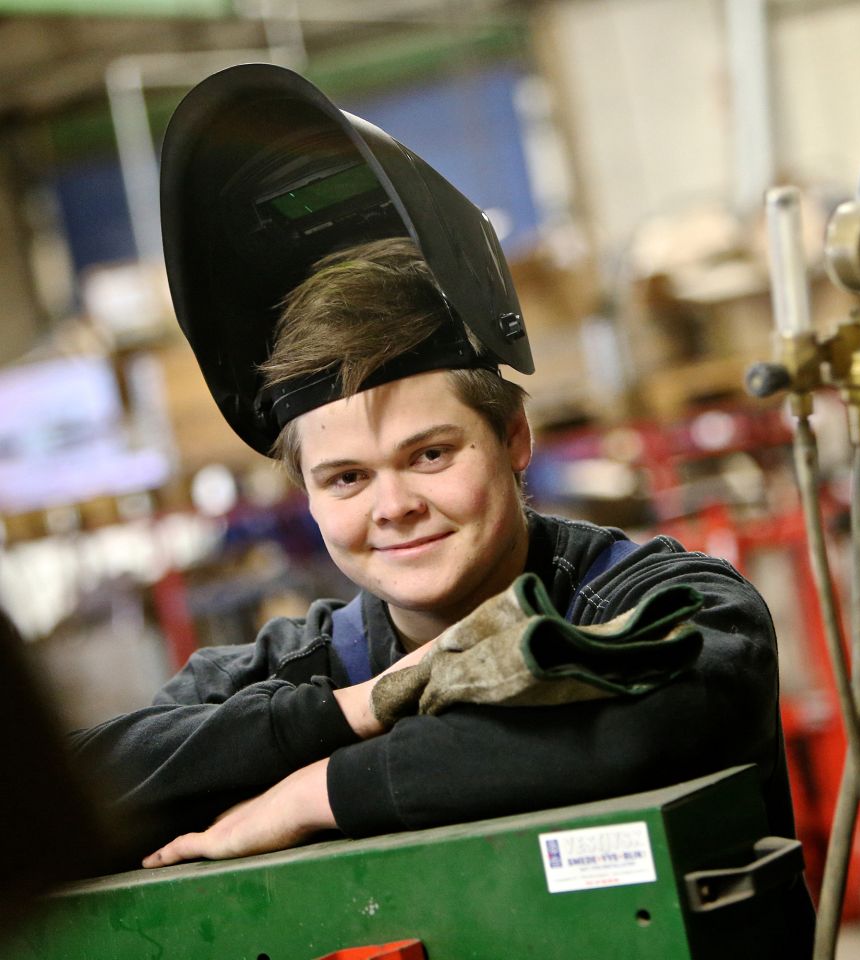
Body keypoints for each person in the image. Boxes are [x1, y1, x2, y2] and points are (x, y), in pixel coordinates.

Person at [70, 63, 814, 951]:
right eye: (346, 478)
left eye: (429, 455)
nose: (394, 507)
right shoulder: (315, 668)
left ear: (514, 441)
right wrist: (358, 708)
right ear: (306, 495)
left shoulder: (668, 603)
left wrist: (316, 792)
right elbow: (75, 787)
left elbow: (639, 730)